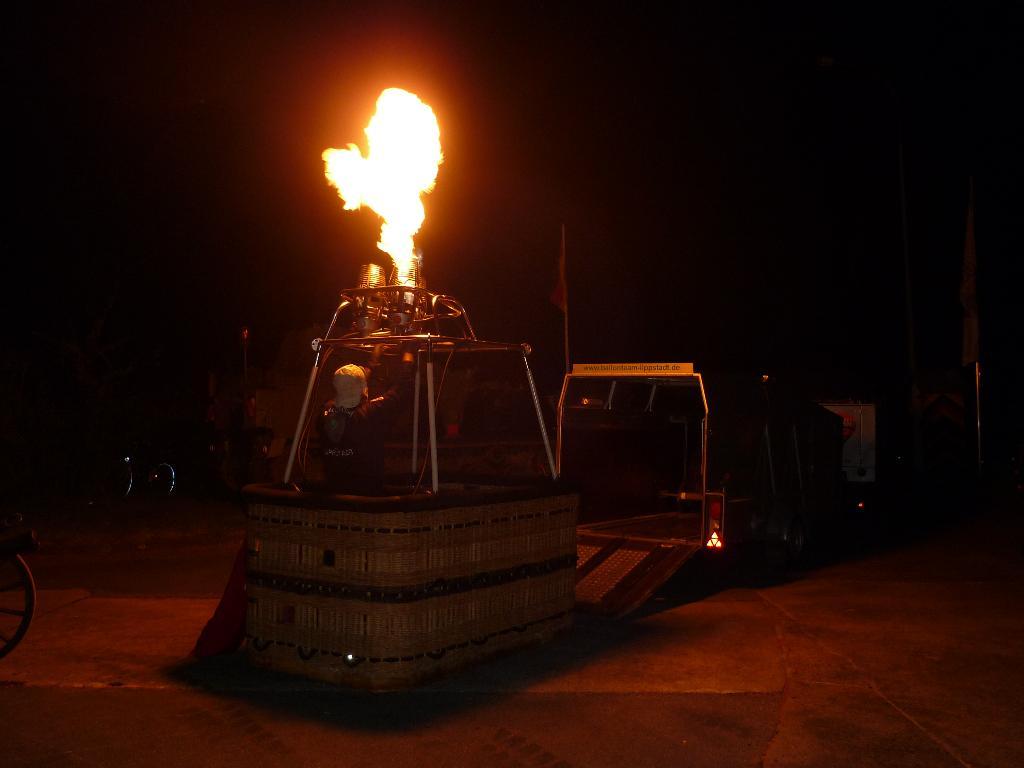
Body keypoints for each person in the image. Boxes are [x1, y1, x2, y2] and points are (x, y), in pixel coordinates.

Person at [318, 352, 414, 495]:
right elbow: (402, 389)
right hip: (367, 493)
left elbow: (349, 388)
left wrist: (372, 362)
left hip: (333, 489)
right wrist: (408, 354)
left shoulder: (325, 412)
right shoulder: (369, 414)